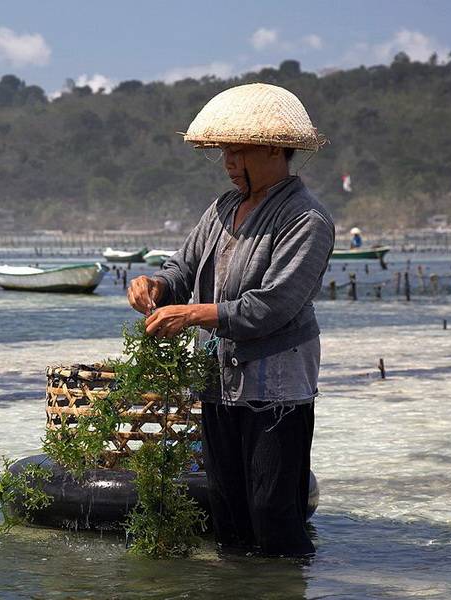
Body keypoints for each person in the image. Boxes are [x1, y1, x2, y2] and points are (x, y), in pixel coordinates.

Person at [126, 83, 334, 557]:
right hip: (219, 382)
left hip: (276, 391)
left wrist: (195, 313)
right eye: (224, 153)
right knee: (230, 516)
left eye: (238, 153)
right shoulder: (222, 209)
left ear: (276, 152)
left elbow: (274, 305)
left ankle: (284, 588)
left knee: (273, 517)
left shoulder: (306, 219)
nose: (228, 164)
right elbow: (183, 267)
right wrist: (156, 287)